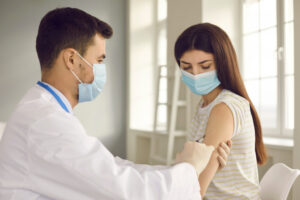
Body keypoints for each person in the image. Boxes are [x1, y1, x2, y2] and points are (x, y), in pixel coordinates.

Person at [0, 8, 231, 200]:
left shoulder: (43, 110)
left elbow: (111, 167)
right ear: (71, 60)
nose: (102, 69)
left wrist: (176, 169)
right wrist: (189, 168)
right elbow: (124, 190)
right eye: (99, 60)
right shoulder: (45, 122)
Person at [174, 23, 267, 199]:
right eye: (187, 67)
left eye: (205, 66)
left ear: (222, 63)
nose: (195, 74)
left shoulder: (223, 108)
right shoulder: (204, 105)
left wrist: (184, 165)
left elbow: (196, 189)